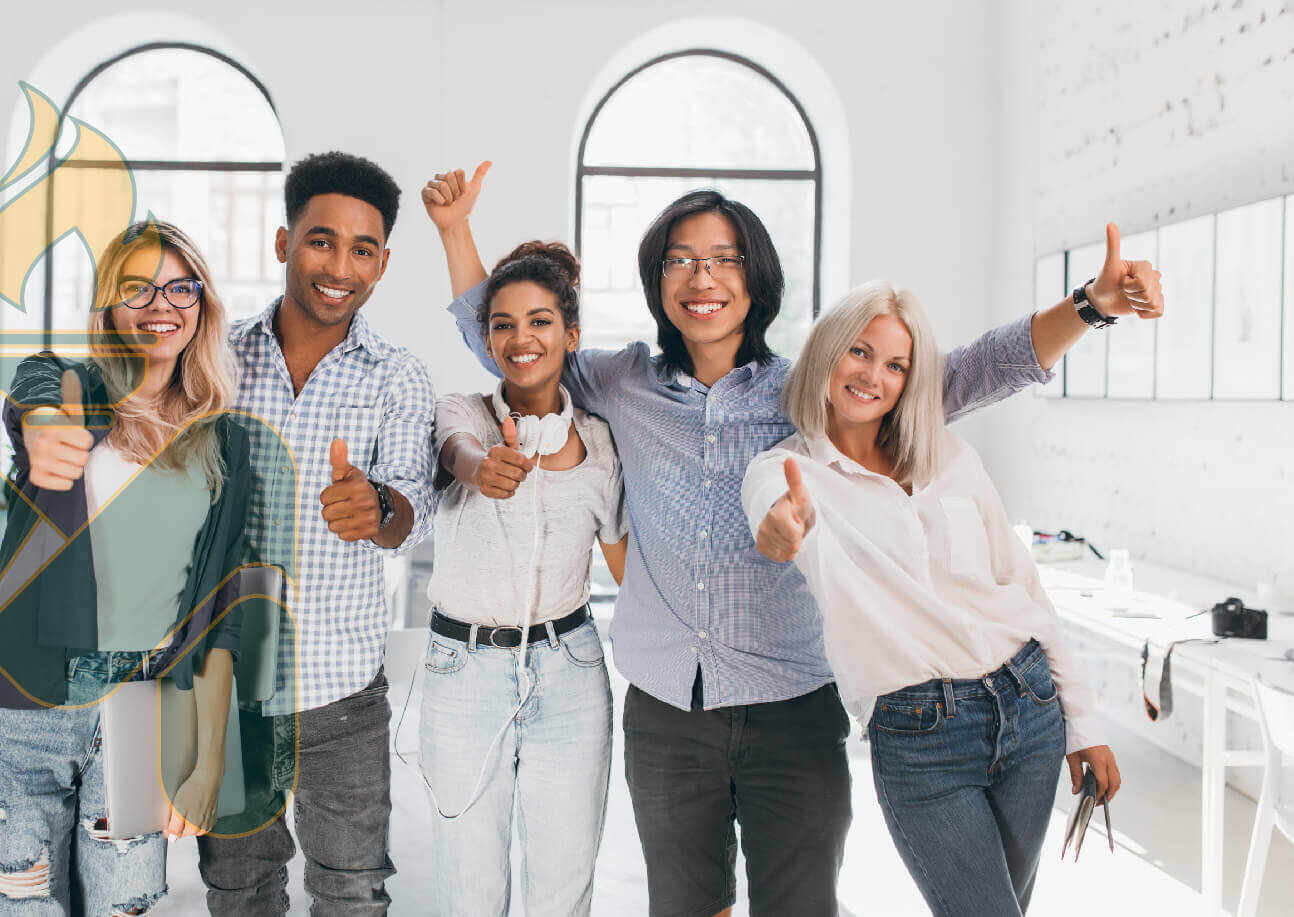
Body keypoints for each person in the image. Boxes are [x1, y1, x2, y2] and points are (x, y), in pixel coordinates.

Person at [426, 163, 1163, 916]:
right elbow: (514, 341)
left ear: (756, 279)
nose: (701, 276)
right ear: (658, 282)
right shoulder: (621, 381)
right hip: (669, 710)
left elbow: (970, 373)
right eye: (680, 259)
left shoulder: (811, 388)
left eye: (723, 258)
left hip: (793, 705)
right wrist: (457, 233)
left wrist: (1088, 306)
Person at [740, 281, 1122, 916]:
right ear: (826, 353)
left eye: (897, 366)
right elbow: (774, 527)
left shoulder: (949, 455)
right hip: (922, 734)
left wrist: (1084, 724)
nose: (873, 377)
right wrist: (782, 529)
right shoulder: (787, 473)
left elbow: (1023, 588)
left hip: (1030, 708)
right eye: (859, 352)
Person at [0, 220, 254, 915]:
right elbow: (29, 379)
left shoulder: (224, 439)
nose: (162, 303)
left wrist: (208, 755)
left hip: (146, 704)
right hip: (24, 702)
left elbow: (226, 607)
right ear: (108, 310)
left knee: (126, 907)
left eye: (181, 286)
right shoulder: (69, 394)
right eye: (137, 287)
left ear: (203, 306)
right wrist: (36, 421)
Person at [197, 151, 437, 917]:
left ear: (384, 263)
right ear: (283, 243)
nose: (340, 265)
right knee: (238, 889)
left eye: (363, 249)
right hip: (228, 689)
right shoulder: (215, 361)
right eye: (321, 240)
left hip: (344, 697)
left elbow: (411, 505)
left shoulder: (396, 376)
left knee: (353, 892)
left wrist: (378, 507)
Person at [413, 228, 628, 915]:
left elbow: (628, 570)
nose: (520, 337)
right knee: (468, 886)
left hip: (570, 673)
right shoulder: (463, 413)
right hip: (462, 673)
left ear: (570, 334)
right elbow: (457, 453)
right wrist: (486, 468)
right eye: (502, 324)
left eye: (540, 321)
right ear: (486, 339)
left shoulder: (599, 445)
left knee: (564, 886)